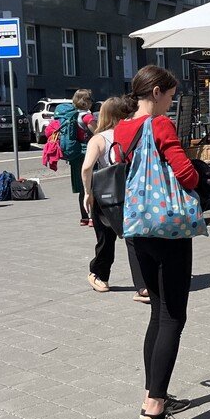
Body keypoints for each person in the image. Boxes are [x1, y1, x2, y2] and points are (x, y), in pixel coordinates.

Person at [115, 65, 198, 419]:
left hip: (137, 229)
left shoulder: (122, 127)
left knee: (157, 315)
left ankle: (153, 394)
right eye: (170, 95)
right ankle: (154, 412)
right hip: (167, 229)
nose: (171, 101)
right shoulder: (159, 125)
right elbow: (187, 174)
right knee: (173, 317)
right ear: (158, 92)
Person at [81, 96, 146, 297]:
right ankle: (143, 285)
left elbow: (86, 167)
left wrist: (87, 192)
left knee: (105, 239)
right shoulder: (132, 134)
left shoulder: (99, 138)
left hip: (105, 195)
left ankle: (100, 275)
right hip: (130, 192)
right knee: (134, 239)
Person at [57, 89, 97, 225]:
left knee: (82, 188)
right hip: (87, 153)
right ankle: (93, 217)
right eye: (90, 99)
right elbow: (98, 133)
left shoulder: (72, 115)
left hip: (75, 154)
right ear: (86, 102)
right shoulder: (87, 117)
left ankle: (84, 217)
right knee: (91, 186)